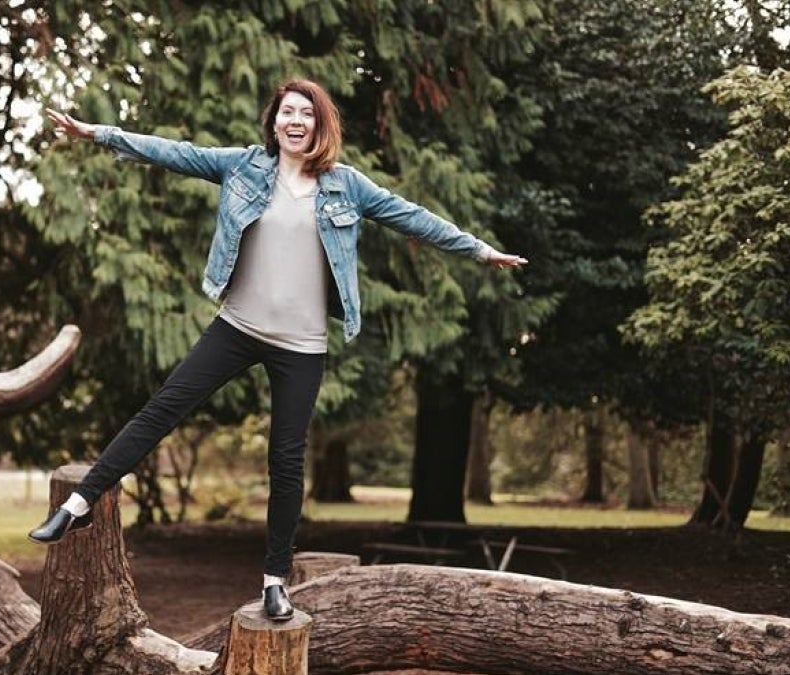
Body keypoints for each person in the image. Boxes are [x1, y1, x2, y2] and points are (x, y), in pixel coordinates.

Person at [28, 79, 527, 621]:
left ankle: (273, 581)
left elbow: (412, 216)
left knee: (286, 461)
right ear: (273, 122)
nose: (294, 121)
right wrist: (99, 133)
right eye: (286, 112)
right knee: (161, 410)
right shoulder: (242, 167)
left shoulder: (346, 186)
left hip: (301, 345)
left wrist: (479, 249)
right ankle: (78, 506)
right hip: (238, 326)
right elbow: (173, 152)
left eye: (305, 114)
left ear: (318, 125)